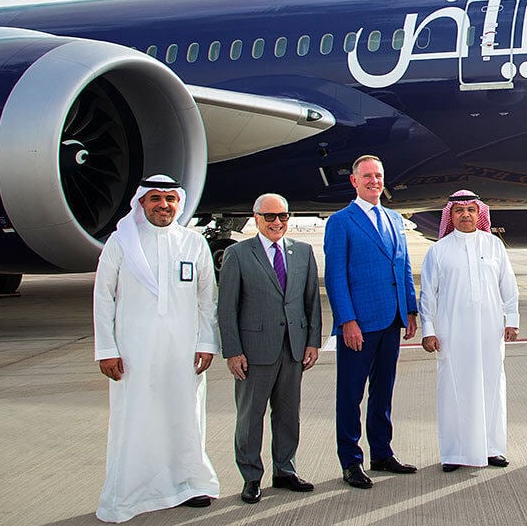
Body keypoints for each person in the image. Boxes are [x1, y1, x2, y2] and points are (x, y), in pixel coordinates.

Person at [92, 175, 220, 522]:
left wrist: (206, 343)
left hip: (183, 351)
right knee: (135, 419)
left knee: (185, 416)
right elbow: (103, 298)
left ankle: (189, 484)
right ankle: (131, 493)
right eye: (155, 199)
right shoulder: (121, 243)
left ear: (179, 203)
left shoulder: (193, 243)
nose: (164, 205)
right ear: (141, 203)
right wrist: (107, 349)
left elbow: (207, 300)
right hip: (134, 351)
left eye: (170, 199)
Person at [218, 193, 323, 504]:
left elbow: (311, 302)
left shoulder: (303, 252)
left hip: (293, 349)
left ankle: (285, 470)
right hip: (254, 351)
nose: (277, 222)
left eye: (283, 216)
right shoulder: (238, 254)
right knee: (250, 417)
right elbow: (227, 308)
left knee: (288, 415)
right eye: (270, 217)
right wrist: (232, 350)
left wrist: (312, 342)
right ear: (256, 217)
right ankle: (251, 477)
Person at [324, 155, 419, 489]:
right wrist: (346, 320)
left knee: (383, 392)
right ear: (354, 181)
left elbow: (403, 266)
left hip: (391, 319)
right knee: (350, 394)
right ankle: (351, 461)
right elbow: (335, 276)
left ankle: (381, 452)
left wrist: (410, 308)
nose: (374, 181)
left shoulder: (394, 219)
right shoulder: (341, 221)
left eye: (378, 176)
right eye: (367, 176)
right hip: (359, 324)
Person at [419, 190, 520, 472]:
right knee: (454, 391)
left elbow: (508, 287)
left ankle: (492, 449)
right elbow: (428, 295)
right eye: (459, 210)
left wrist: (511, 319)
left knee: (492, 389)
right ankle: (454, 453)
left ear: (480, 214)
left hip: (490, 332)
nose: (465, 214)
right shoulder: (438, 250)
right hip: (452, 333)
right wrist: (429, 330)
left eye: (471, 210)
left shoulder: (494, 245)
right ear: (450, 216)